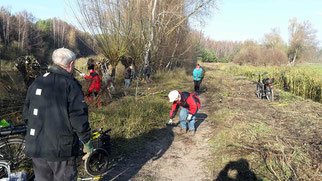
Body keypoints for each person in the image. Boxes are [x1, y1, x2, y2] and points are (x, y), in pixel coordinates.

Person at [22, 48, 93, 181]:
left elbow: (26, 115)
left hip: (37, 148)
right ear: (71, 64)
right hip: (61, 151)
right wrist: (87, 141)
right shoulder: (71, 85)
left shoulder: (37, 82)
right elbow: (78, 118)